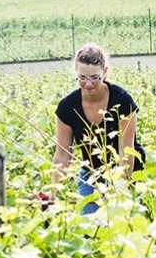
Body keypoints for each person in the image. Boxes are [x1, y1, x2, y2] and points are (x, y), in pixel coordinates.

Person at [52, 43, 144, 213]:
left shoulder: (123, 101)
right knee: (89, 225)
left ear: (105, 72)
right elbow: (63, 154)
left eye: (94, 77)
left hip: (125, 172)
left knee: (122, 223)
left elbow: (126, 151)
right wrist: (54, 192)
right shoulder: (67, 107)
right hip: (91, 173)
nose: (88, 84)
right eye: (82, 78)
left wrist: (118, 189)